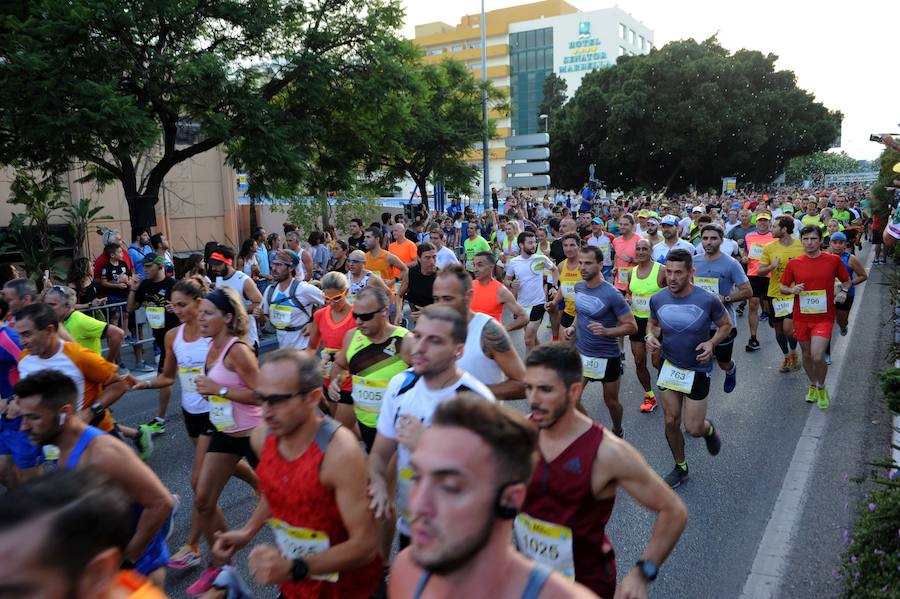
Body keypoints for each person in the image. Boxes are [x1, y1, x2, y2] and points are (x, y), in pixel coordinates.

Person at [519, 344, 688, 596]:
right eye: (529, 388)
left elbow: (673, 511)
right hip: (528, 579)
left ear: (574, 391)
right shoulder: (518, 435)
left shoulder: (607, 452)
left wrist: (642, 573)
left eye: (545, 390)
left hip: (586, 584)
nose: (533, 399)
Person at [211, 350, 382, 598]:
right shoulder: (263, 436)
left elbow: (365, 546)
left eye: (278, 400)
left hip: (348, 589)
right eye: (262, 398)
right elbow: (276, 486)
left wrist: (296, 567)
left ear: (312, 398)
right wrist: (248, 531)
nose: (266, 411)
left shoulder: (339, 453)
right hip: (296, 583)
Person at [387, 396, 595, 599]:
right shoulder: (407, 571)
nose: (418, 505)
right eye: (417, 477)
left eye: (450, 487)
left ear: (510, 500)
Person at [16, 370, 175, 587]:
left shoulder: (101, 452)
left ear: (64, 413)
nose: (23, 426)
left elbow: (160, 503)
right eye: (23, 417)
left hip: (136, 577)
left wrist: (128, 561)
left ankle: (222, 590)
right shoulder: (64, 448)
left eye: (33, 417)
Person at [368, 305, 496, 552]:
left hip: (457, 536)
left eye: (434, 341)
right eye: (417, 336)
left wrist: (426, 447)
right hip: (412, 528)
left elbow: (486, 487)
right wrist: (379, 485)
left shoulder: (476, 401)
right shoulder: (400, 384)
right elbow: (378, 455)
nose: (420, 347)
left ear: (458, 351)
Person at [187, 287, 264, 595]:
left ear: (228, 317)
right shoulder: (210, 346)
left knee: (286, 503)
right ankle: (222, 567)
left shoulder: (238, 351)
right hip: (223, 431)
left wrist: (218, 389)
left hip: (253, 435)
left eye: (208, 313)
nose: (200, 317)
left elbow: (261, 393)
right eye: (200, 312)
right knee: (203, 499)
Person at [0, 468, 169, 599]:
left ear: (97, 575)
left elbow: (161, 502)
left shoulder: (105, 452)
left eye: (16, 593)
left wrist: (133, 555)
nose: (25, 425)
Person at [15, 302, 152, 459]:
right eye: (20, 335)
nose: (22, 341)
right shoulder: (24, 358)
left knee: (121, 481)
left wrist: (90, 412)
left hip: (96, 435)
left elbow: (119, 384)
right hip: (57, 443)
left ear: (49, 331)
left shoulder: (78, 356)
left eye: (27, 334)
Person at [646, 249, 732, 488]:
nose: (672, 278)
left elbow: (725, 325)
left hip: (697, 368)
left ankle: (708, 428)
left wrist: (711, 342)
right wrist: (650, 336)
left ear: (691, 272)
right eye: (669, 272)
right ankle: (680, 466)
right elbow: (652, 323)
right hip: (670, 364)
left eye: (678, 273)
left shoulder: (707, 299)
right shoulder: (658, 298)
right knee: (671, 420)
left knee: (693, 428)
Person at [562, 246, 637, 437]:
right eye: (580, 263)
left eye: (588, 263)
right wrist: (572, 327)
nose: (582, 267)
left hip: (607, 356)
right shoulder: (579, 286)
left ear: (600, 264)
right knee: (571, 398)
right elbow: (581, 312)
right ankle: (592, 432)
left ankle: (618, 430)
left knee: (611, 402)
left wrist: (607, 331)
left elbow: (631, 326)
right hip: (582, 353)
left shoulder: (612, 294)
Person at [328, 285, 411, 451]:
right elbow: (339, 365)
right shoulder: (352, 336)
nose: (359, 321)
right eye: (356, 315)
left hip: (397, 428)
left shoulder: (406, 341)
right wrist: (335, 380)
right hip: (365, 422)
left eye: (365, 316)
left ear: (385, 312)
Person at [779, 225, 850, 409]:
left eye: (813, 239)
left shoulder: (833, 261)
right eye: (806, 239)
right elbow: (783, 287)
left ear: (820, 241)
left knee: (818, 356)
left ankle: (821, 387)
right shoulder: (794, 263)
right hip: (801, 317)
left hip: (824, 317)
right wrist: (792, 289)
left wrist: (843, 290)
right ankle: (812, 384)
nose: (809, 242)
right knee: (807, 355)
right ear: (801, 240)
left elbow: (847, 280)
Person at [433, 265, 527, 400]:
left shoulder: (488, 330)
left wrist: (471, 392)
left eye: (448, 299)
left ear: (469, 296)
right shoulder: (433, 330)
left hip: (483, 419)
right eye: (437, 299)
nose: (441, 305)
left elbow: (523, 385)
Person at [692, 224, 752, 393]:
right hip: (699, 323)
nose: (708, 242)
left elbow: (748, 291)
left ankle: (731, 370)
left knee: (723, 361)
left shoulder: (731, 263)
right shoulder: (694, 261)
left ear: (721, 240)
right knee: (700, 359)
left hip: (723, 323)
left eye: (713, 238)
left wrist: (724, 298)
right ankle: (700, 392)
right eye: (705, 238)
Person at [128, 253, 178, 434]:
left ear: (159, 266)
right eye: (144, 267)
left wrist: (178, 308)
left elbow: (192, 306)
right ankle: (161, 420)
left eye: (149, 267)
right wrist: (133, 289)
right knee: (166, 381)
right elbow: (130, 308)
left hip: (177, 339)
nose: (145, 270)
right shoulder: (145, 285)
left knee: (172, 380)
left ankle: (161, 420)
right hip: (161, 339)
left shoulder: (173, 285)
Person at [307, 272, 358, 433]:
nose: (331, 303)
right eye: (327, 299)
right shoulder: (320, 315)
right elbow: (311, 348)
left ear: (347, 292)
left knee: (339, 432)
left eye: (337, 298)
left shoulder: (358, 315)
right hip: (328, 379)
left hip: (352, 380)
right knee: (342, 429)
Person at [757, 216, 804, 372]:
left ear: (784, 229)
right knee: (778, 329)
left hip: (795, 293)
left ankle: (793, 352)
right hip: (775, 293)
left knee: (789, 329)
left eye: (775, 227)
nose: (772, 229)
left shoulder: (800, 245)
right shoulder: (769, 247)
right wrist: (771, 266)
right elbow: (760, 272)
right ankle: (786, 357)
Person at [627, 239, 666, 413]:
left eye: (645, 249)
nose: (641, 252)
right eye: (638, 249)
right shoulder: (631, 272)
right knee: (638, 360)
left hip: (657, 322)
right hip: (637, 321)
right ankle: (649, 395)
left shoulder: (661, 270)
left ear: (651, 251)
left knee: (657, 361)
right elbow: (630, 292)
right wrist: (628, 299)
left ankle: (671, 388)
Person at [504, 231, 558, 354]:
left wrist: (554, 286)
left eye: (534, 242)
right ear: (521, 245)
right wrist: (512, 284)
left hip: (538, 303)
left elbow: (555, 270)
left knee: (528, 340)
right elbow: (505, 280)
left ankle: (530, 369)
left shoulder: (541, 259)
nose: (534, 245)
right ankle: (543, 356)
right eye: (530, 243)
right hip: (522, 306)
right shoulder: (514, 262)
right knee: (533, 338)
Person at [259, 250, 324, 350]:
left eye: (279, 265)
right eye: (273, 264)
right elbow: (266, 319)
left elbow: (331, 302)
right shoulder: (270, 291)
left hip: (304, 349)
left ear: (291, 268)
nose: (274, 268)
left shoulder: (303, 289)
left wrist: (315, 324)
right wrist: (260, 317)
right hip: (283, 351)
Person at [44, 284, 125, 365]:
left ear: (67, 306)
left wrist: (109, 362)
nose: (47, 308)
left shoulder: (80, 321)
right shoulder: (56, 321)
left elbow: (117, 333)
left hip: (90, 374)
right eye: (46, 304)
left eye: (52, 305)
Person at [207, 246, 264, 353]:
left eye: (217, 265)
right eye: (212, 265)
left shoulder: (244, 280)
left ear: (228, 262)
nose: (213, 268)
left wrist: (235, 310)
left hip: (246, 341)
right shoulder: (219, 278)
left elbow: (259, 303)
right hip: (226, 341)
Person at [469, 251, 527, 329]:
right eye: (474, 265)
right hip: (470, 337)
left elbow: (524, 317)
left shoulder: (501, 291)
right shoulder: (469, 285)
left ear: (491, 267)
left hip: (490, 340)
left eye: (480, 265)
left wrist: (503, 330)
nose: (475, 269)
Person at [364, 225, 408, 324]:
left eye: (368, 237)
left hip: (388, 298)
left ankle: (401, 324)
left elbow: (405, 269)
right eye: (364, 237)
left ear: (377, 239)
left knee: (392, 328)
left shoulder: (388, 256)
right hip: (372, 300)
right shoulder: (364, 258)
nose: (365, 240)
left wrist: (393, 281)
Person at [743, 213, 774, 352]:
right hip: (753, 274)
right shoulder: (749, 236)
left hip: (770, 275)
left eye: (765, 221)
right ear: (756, 223)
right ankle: (753, 338)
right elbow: (745, 252)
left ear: (769, 223)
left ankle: (776, 325)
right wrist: (744, 258)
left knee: (771, 307)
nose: (762, 223)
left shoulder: (775, 236)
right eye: (760, 220)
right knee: (753, 305)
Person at [828, 231, 867, 337]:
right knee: (826, 322)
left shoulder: (850, 258)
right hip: (828, 294)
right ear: (830, 244)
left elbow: (863, 276)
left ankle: (843, 326)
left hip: (846, 294)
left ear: (845, 244)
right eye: (835, 242)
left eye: (841, 243)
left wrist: (848, 284)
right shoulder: (825, 257)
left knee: (841, 320)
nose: (837, 245)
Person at [399, 242, 438, 325]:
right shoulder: (410, 273)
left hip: (437, 322)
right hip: (418, 322)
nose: (432, 261)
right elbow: (399, 295)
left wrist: (428, 311)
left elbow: (449, 305)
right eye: (427, 258)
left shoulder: (441, 276)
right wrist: (399, 313)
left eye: (434, 257)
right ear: (419, 259)